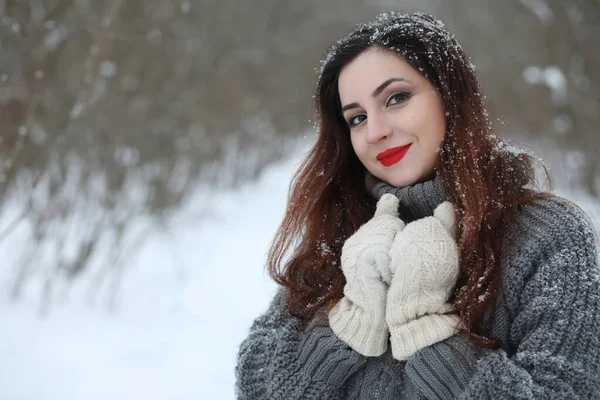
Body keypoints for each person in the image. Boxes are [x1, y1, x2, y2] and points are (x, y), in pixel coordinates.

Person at [235, 11, 600, 400]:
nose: (375, 131)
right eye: (357, 118)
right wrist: (345, 325)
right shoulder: (344, 233)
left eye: (397, 98)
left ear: (451, 96)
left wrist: (428, 331)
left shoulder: (548, 237)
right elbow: (257, 385)